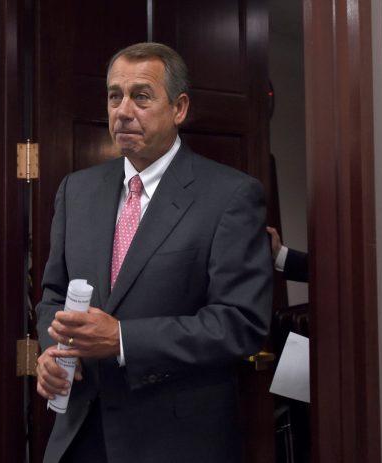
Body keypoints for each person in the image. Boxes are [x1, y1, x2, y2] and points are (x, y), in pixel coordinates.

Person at [34, 42, 273, 463]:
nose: (123, 110)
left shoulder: (230, 196)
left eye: (141, 96)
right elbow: (53, 295)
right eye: (114, 96)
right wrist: (52, 352)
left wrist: (123, 339)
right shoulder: (76, 190)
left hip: (173, 439)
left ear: (179, 108)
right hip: (79, 434)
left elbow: (240, 323)